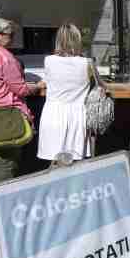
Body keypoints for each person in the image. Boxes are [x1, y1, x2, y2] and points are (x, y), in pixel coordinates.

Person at [0, 17, 44, 186]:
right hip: (7, 115)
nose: (13, 38)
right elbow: (20, 89)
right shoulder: (6, 59)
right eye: (10, 35)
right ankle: (3, 201)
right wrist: (37, 85)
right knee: (7, 161)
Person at [38, 22, 95, 164]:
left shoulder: (49, 61)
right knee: (75, 164)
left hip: (53, 115)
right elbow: (102, 86)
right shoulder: (87, 63)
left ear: (59, 40)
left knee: (55, 163)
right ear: (78, 40)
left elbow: (48, 80)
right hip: (77, 116)